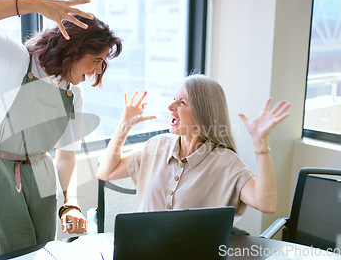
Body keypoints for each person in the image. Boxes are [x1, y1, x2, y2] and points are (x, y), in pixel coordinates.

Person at [0, 0, 122, 259]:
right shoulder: (14, 60)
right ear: (74, 49)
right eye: (96, 60)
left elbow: (66, 156)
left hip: (42, 176)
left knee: (43, 255)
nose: (98, 71)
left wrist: (70, 203)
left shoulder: (73, 92)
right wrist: (32, 4)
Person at [97, 74, 291, 216]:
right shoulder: (155, 146)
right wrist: (124, 126)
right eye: (173, 100)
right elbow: (107, 172)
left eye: (181, 102)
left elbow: (266, 204)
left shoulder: (225, 162)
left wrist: (260, 142)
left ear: (202, 112)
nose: (170, 107)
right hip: (143, 251)